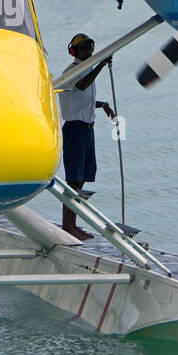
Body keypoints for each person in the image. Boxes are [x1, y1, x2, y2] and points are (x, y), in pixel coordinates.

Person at [57, 33, 115, 241]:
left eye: (91, 48)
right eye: (84, 49)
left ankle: (74, 224)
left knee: (81, 180)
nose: (89, 52)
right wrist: (100, 65)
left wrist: (103, 105)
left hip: (87, 129)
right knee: (73, 180)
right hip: (75, 129)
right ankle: (67, 226)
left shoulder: (87, 70)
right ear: (75, 52)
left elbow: (83, 98)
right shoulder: (73, 72)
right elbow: (80, 85)